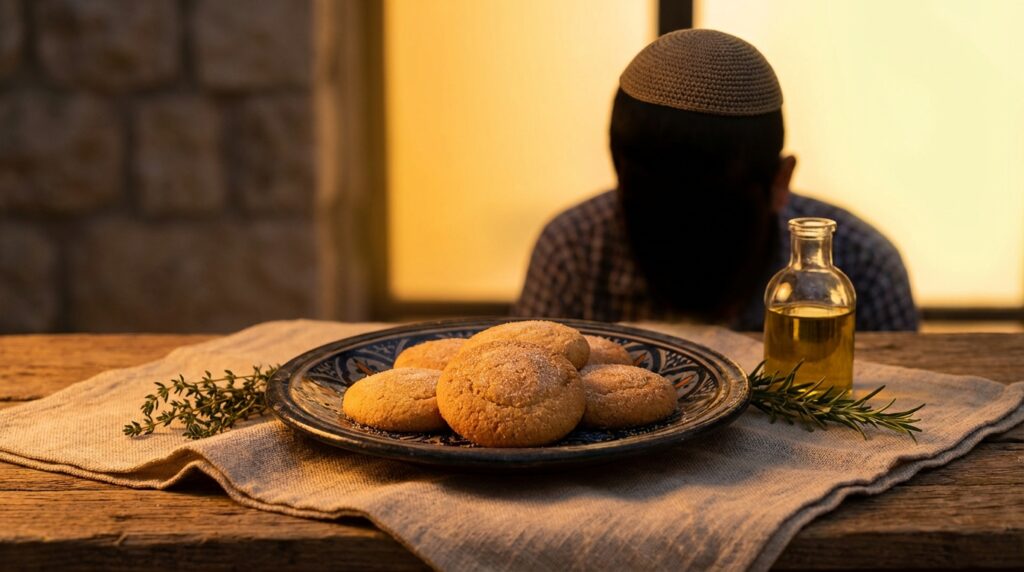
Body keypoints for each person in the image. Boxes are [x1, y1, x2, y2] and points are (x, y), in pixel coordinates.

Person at [513, 29, 917, 331]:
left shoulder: (860, 268)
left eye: (711, 218)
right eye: (660, 211)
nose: (684, 238)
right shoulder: (573, 254)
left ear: (780, 183)